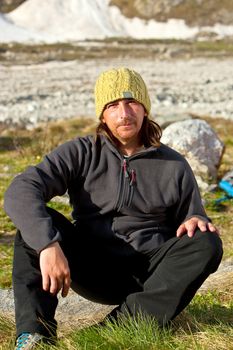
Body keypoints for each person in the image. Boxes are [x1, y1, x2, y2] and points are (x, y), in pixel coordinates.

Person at [4, 67, 223, 350]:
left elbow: (193, 216)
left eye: (132, 103)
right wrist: (48, 245)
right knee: (31, 229)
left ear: (145, 109)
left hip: (151, 274)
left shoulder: (174, 164)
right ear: (102, 114)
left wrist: (196, 218)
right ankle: (35, 335)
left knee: (206, 242)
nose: (124, 113)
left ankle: (124, 323)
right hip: (92, 267)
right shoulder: (82, 151)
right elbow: (21, 190)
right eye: (113, 105)